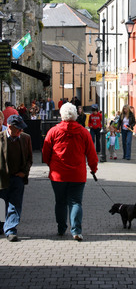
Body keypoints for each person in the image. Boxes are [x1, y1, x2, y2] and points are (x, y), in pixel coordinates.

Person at [42, 102, 98, 241]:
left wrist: (51, 165)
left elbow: (45, 152)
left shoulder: (53, 131)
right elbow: (91, 153)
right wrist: (93, 168)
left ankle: (61, 228)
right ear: (75, 115)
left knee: (60, 202)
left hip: (58, 175)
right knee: (76, 202)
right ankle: (76, 231)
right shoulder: (83, 132)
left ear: (61, 115)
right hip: (77, 174)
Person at [0, 114, 33, 241]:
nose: (20, 131)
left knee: (15, 204)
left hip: (17, 177)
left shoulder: (25, 138)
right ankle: (2, 225)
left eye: (21, 128)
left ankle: (11, 229)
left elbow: (30, 158)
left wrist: (24, 172)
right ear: (9, 127)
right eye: (18, 128)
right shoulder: (1, 138)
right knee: (2, 203)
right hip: (2, 178)